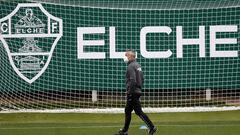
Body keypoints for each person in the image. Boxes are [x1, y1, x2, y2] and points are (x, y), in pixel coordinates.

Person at [115, 50, 157, 135]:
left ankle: (152, 127)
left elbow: (133, 80)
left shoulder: (130, 66)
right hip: (137, 91)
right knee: (127, 110)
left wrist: (130, 91)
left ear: (131, 57)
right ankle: (125, 131)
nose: (125, 57)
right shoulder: (137, 65)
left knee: (138, 111)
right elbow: (142, 79)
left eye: (126, 55)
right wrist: (139, 88)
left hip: (133, 92)